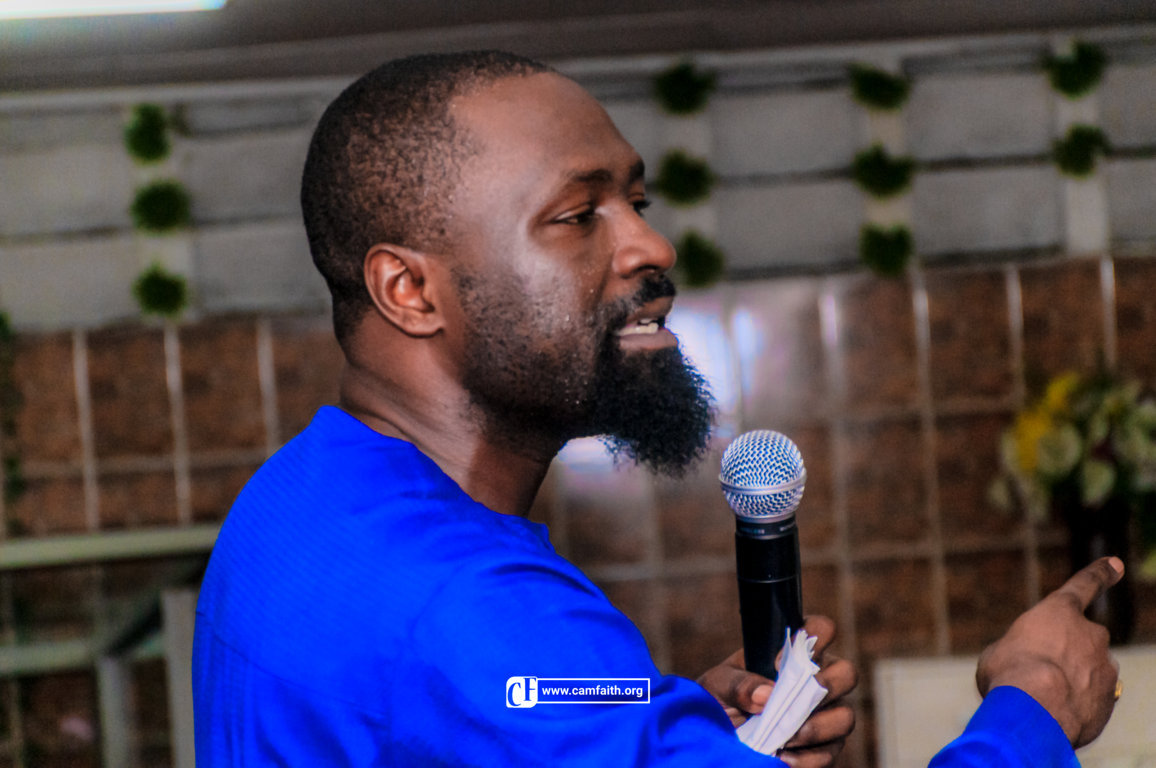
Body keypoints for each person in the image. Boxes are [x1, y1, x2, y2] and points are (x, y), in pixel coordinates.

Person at [191, 50, 1121, 766]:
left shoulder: (295, 502)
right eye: (577, 216)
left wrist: (657, 727)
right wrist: (1033, 707)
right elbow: (484, 661)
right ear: (410, 290)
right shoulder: (474, 606)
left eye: (635, 201)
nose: (651, 244)